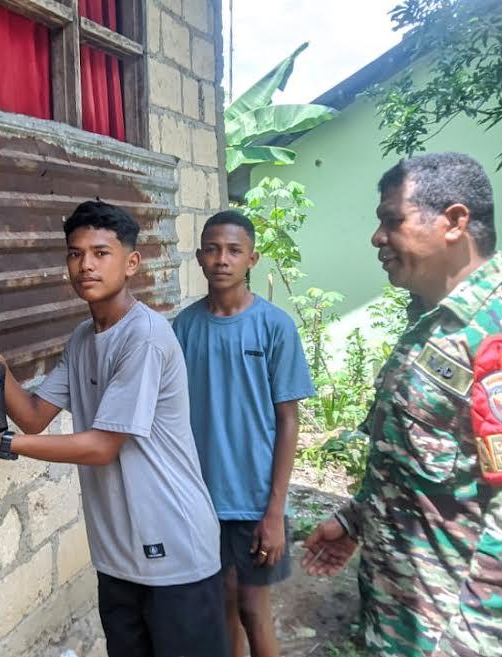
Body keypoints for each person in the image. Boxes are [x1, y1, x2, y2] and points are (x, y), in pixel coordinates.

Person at [301, 152, 502, 657]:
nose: (377, 238)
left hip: (451, 639)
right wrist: (355, 520)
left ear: (454, 222)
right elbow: (425, 466)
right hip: (400, 622)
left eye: (392, 221)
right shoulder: (435, 326)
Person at [0, 201, 229, 657]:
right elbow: (33, 414)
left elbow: (102, 447)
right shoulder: (83, 338)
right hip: (116, 553)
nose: (85, 265)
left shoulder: (144, 337)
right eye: (75, 253)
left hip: (175, 550)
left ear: (131, 263)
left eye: (101, 253)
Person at [173, 210, 314, 657]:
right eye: (212, 249)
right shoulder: (184, 328)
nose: (222, 259)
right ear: (198, 257)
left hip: (255, 498)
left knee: (254, 611)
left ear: (252, 258)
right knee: (222, 608)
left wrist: (275, 511)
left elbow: (289, 420)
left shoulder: (275, 326)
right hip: (199, 498)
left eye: (234, 250)